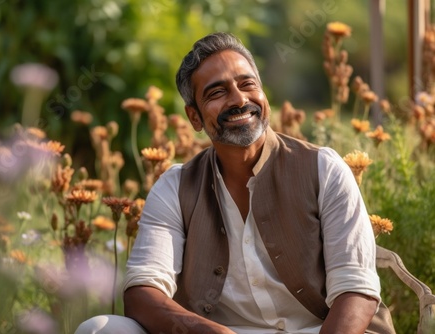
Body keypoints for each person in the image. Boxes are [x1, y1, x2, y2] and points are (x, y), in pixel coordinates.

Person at [75, 32, 395, 334]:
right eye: (217, 92)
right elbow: (142, 293)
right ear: (195, 117)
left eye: (247, 84)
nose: (239, 100)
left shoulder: (324, 168)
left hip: (320, 330)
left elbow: (356, 291)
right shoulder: (174, 187)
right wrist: (205, 330)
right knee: (100, 328)